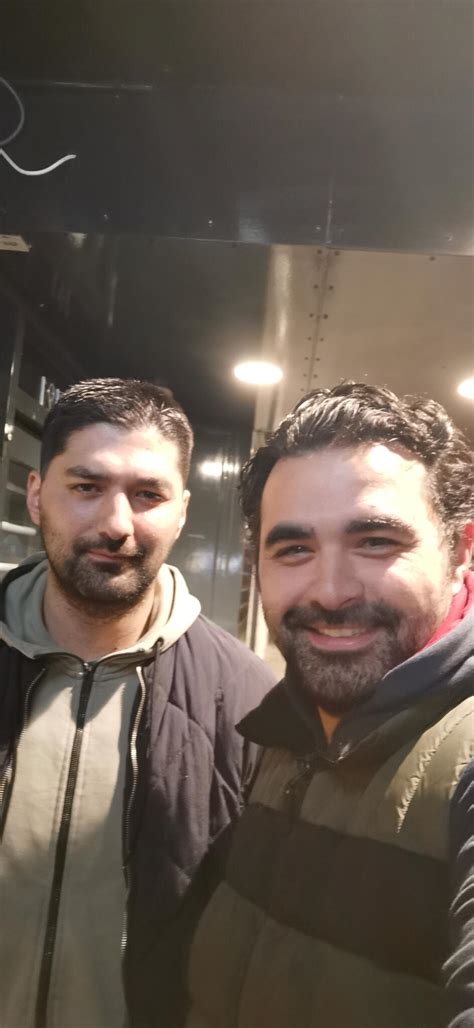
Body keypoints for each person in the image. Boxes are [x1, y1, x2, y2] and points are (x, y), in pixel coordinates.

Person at [187, 382, 474, 1028]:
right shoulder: (288, 730)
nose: (331, 591)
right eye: (294, 549)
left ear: (461, 552)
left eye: (375, 541)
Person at [0, 378, 275, 1028]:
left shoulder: (247, 703)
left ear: (181, 512)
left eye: (147, 495)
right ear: (36, 495)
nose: (117, 524)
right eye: (86, 487)